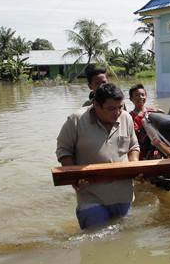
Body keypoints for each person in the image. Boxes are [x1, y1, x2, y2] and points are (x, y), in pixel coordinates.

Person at [56, 83, 140, 230]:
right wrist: (73, 177)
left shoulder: (126, 118)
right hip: (91, 197)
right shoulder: (76, 120)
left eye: (120, 107)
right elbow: (64, 150)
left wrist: (134, 166)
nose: (117, 112)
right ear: (95, 105)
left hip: (123, 195)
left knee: (125, 244)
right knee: (95, 243)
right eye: (111, 109)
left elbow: (134, 147)